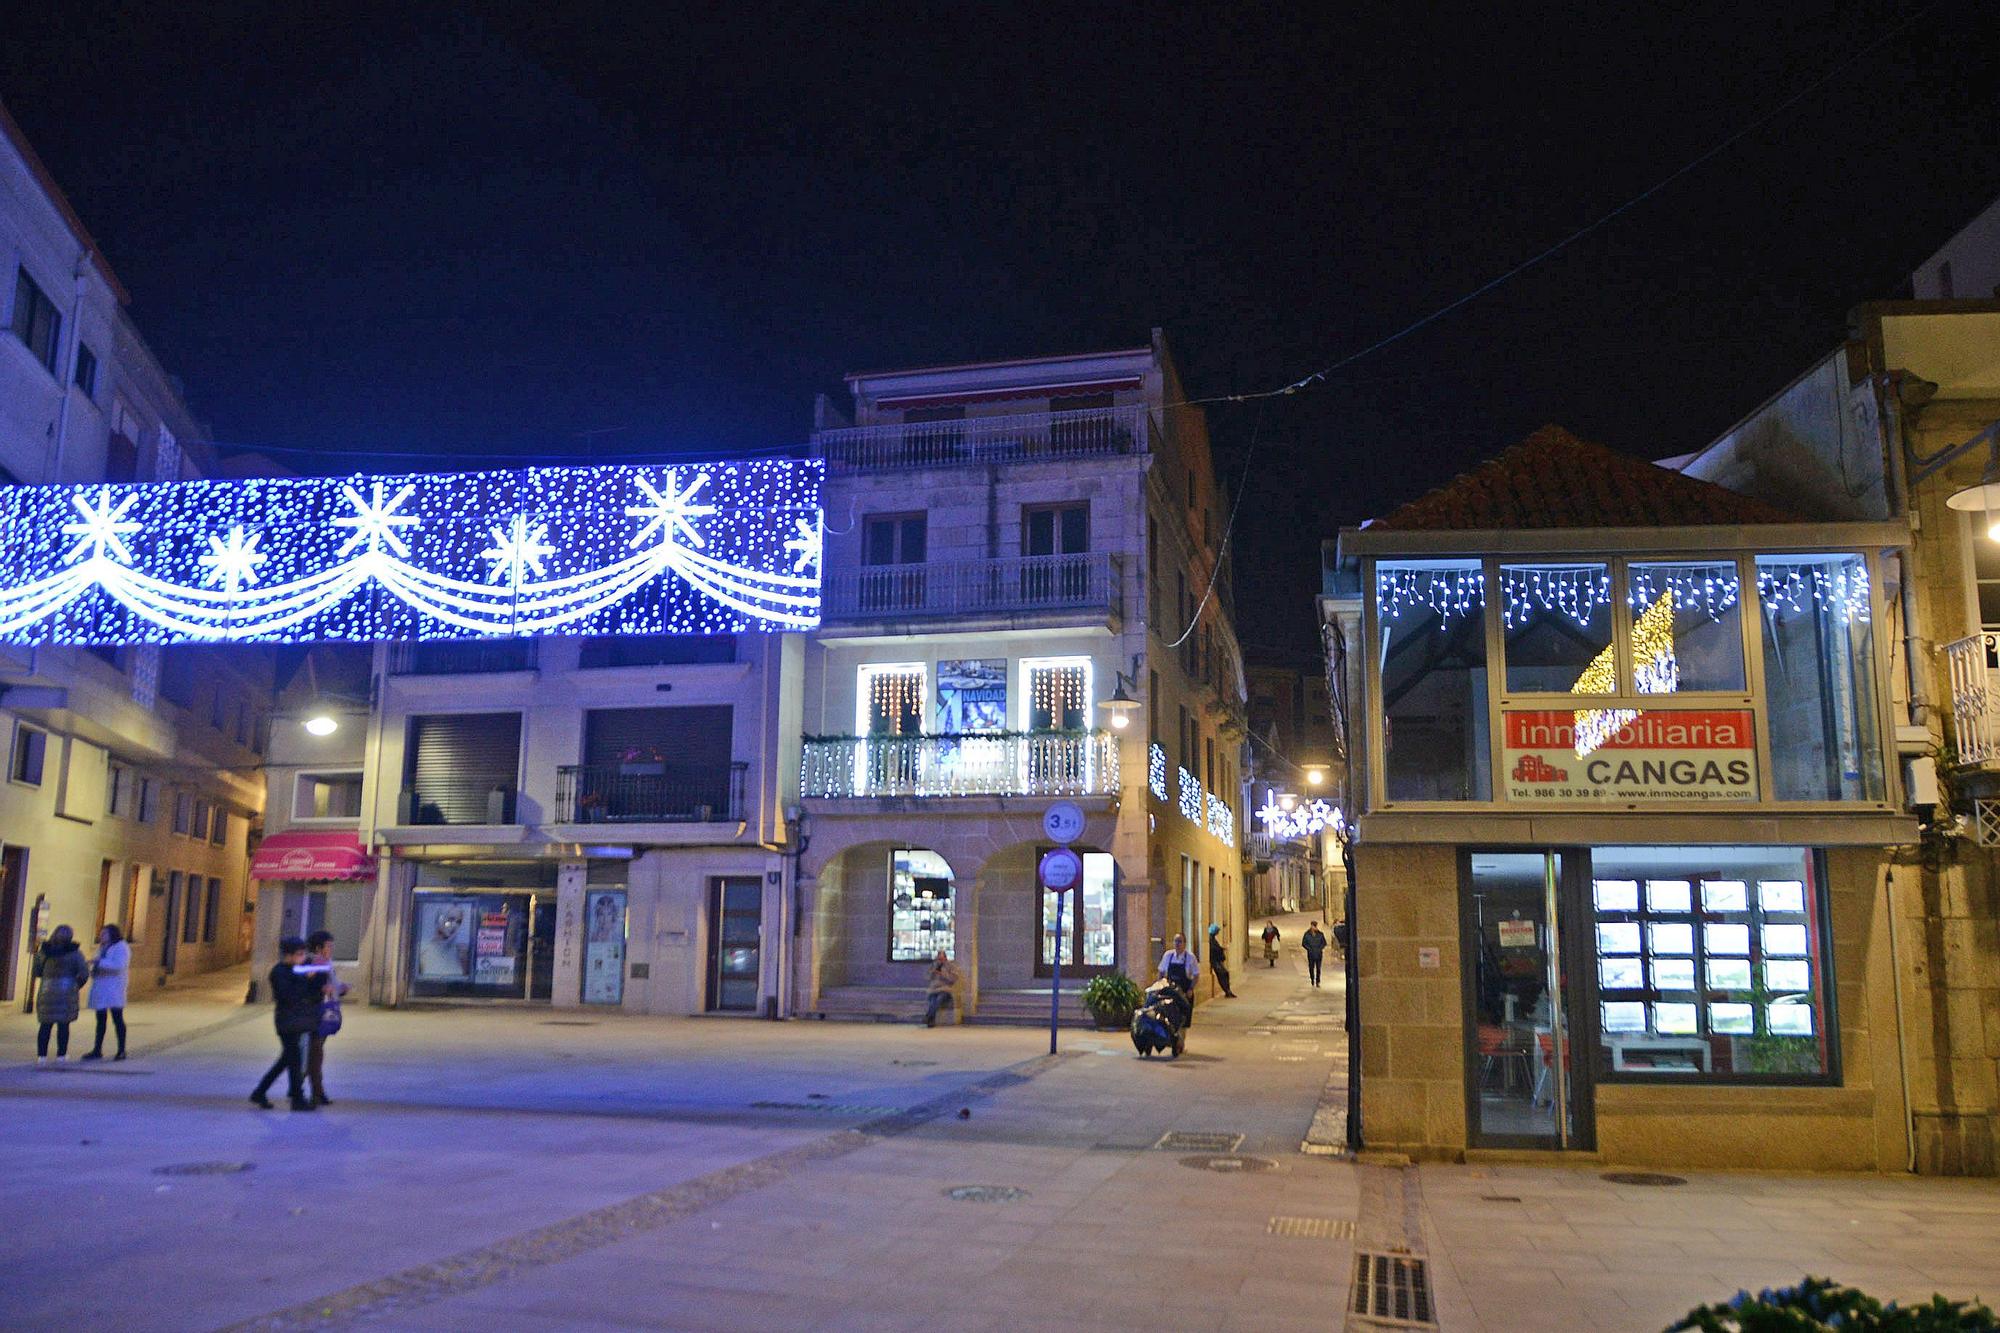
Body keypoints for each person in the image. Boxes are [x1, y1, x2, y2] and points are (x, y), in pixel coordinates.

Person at [251, 937, 321, 1111]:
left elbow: (309, 993)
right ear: (288, 955)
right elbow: (288, 996)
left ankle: (260, 1092)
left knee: (287, 1060)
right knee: (294, 1060)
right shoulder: (279, 972)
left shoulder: (297, 970)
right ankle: (297, 1098)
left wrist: (314, 979)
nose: (303, 957)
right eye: (299, 954)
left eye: (304, 953)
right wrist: (305, 978)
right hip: (287, 1022)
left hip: (296, 1020)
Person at [302, 930, 349, 1106]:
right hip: (314, 1014)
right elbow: (308, 986)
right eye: (328, 946)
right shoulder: (313, 962)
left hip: (322, 1012)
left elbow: (330, 985)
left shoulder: (325, 963)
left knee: (316, 1053)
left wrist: (339, 989)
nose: (331, 949)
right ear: (318, 947)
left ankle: (316, 1091)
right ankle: (313, 1092)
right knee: (314, 1054)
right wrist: (325, 989)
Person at [34, 925, 90, 1068]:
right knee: (63, 1025)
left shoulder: (44, 952)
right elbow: (84, 972)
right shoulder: (75, 953)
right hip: (67, 990)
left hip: (47, 990)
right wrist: (76, 984)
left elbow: (37, 970)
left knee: (45, 1025)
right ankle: (61, 1055)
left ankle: (41, 1056)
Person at [82, 924, 131, 1061]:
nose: (101, 936)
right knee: (100, 1020)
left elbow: (119, 966)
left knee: (117, 1019)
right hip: (101, 987)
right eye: (101, 934)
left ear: (112, 934)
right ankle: (97, 1049)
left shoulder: (121, 947)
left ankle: (121, 1050)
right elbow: (99, 964)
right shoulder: (102, 948)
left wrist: (99, 962)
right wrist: (94, 969)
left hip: (113, 988)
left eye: (104, 934)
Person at [923, 949, 960, 1027]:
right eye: (939, 959)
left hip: (945, 989)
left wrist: (942, 973)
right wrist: (933, 972)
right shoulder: (933, 966)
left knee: (939, 999)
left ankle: (928, 1017)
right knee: (933, 1001)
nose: (940, 960)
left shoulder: (950, 966)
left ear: (945, 958)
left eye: (942, 959)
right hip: (934, 989)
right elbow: (927, 977)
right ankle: (930, 1020)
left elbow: (953, 979)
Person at [1206, 923, 1236, 998]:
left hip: (1217, 960)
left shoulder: (1213, 939)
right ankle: (1227, 991)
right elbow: (1213, 949)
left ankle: (1228, 990)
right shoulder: (1210, 939)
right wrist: (1221, 949)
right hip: (1215, 961)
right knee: (1222, 975)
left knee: (1225, 974)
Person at [1301, 921, 1329, 988]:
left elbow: (1324, 943)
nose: (1314, 927)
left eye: (1315, 926)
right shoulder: (1307, 934)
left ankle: (1318, 981)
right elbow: (1304, 943)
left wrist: (1320, 949)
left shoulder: (1320, 934)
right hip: (1311, 954)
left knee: (1318, 968)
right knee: (1311, 967)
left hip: (1318, 953)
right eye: (1313, 926)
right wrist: (1309, 949)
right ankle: (1312, 979)